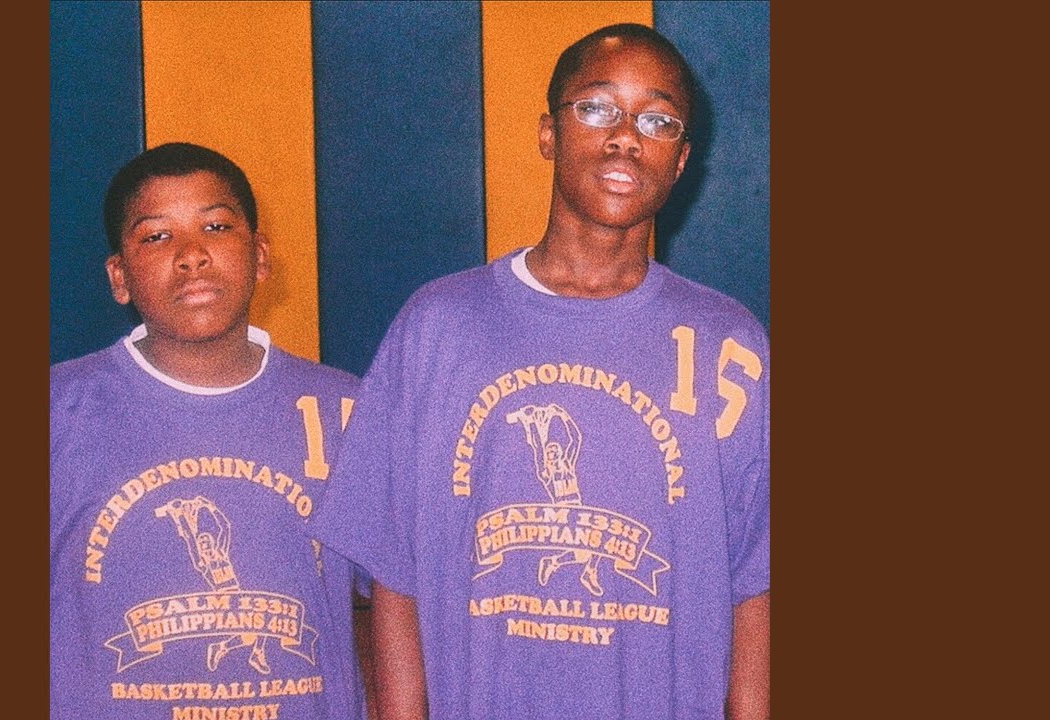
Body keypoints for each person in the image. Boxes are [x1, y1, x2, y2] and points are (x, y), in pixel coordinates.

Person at [308, 23, 769, 720]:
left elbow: (754, 584)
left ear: (680, 161)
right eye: (597, 107)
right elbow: (395, 573)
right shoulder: (440, 325)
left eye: (657, 120)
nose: (625, 136)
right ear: (549, 133)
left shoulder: (729, 342)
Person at [50, 143, 367, 720]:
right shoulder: (57, 410)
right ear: (119, 277)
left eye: (216, 227)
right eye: (156, 236)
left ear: (260, 256)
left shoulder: (348, 410)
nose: (191, 255)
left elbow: (399, 605)